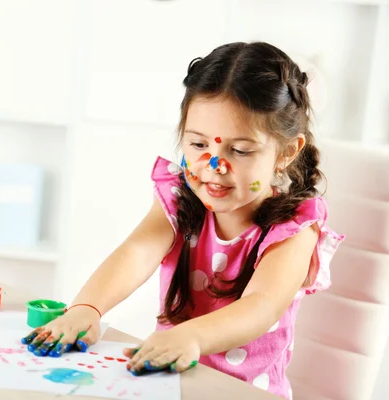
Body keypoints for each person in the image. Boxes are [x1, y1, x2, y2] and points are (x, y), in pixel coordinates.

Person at [21, 41, 345, 399]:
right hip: (166, 382)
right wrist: (87, 307)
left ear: (286, 152)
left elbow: (263, 306)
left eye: (239, 150)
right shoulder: (180, 197)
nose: (214, 166)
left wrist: (191, 336)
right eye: (198, 145)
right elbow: (138, 250)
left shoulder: (294, 227)